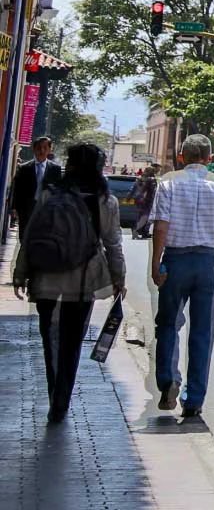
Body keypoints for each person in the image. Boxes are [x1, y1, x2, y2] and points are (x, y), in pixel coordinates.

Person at [10, 143, 126, 423]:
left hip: (46, 277)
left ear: (69, 167)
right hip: (83, 282)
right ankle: (62, 398)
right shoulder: (105, 201)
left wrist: (20, 271)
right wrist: (118, 278)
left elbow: (31, 234)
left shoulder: (49, 194)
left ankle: (54, 392)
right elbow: (113, 244)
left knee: (49, 339)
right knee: (72, 342)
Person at [148, 135, 214, 420]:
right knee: (203, 331)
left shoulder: (167, 182)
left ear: (181, 157)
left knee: (168, 323)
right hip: (208, 262)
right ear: (209, 158)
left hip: (176, 259)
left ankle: (168, 380)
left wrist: (156, 263)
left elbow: (161, 226)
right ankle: (194, 400)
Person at [7, 136, 62, 241]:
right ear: (33, 149)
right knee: (24, 236)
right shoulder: (24, 168)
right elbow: (16, 188)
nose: (41, 150)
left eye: (45, 147)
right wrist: (14, 207)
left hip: (45, 208)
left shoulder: (55, 169)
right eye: (39, 147)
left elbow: (58, 190)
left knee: (41, 236)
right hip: (27, 207)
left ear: (50, 150)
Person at [131, 166, 158, 239]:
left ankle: (141, 232)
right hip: (146, 201)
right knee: (146, 217)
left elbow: (136, 189)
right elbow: (149, 191)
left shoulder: (140, 178)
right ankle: (137, 230)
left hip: (140, 200)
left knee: (141, 216)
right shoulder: (151, 180)